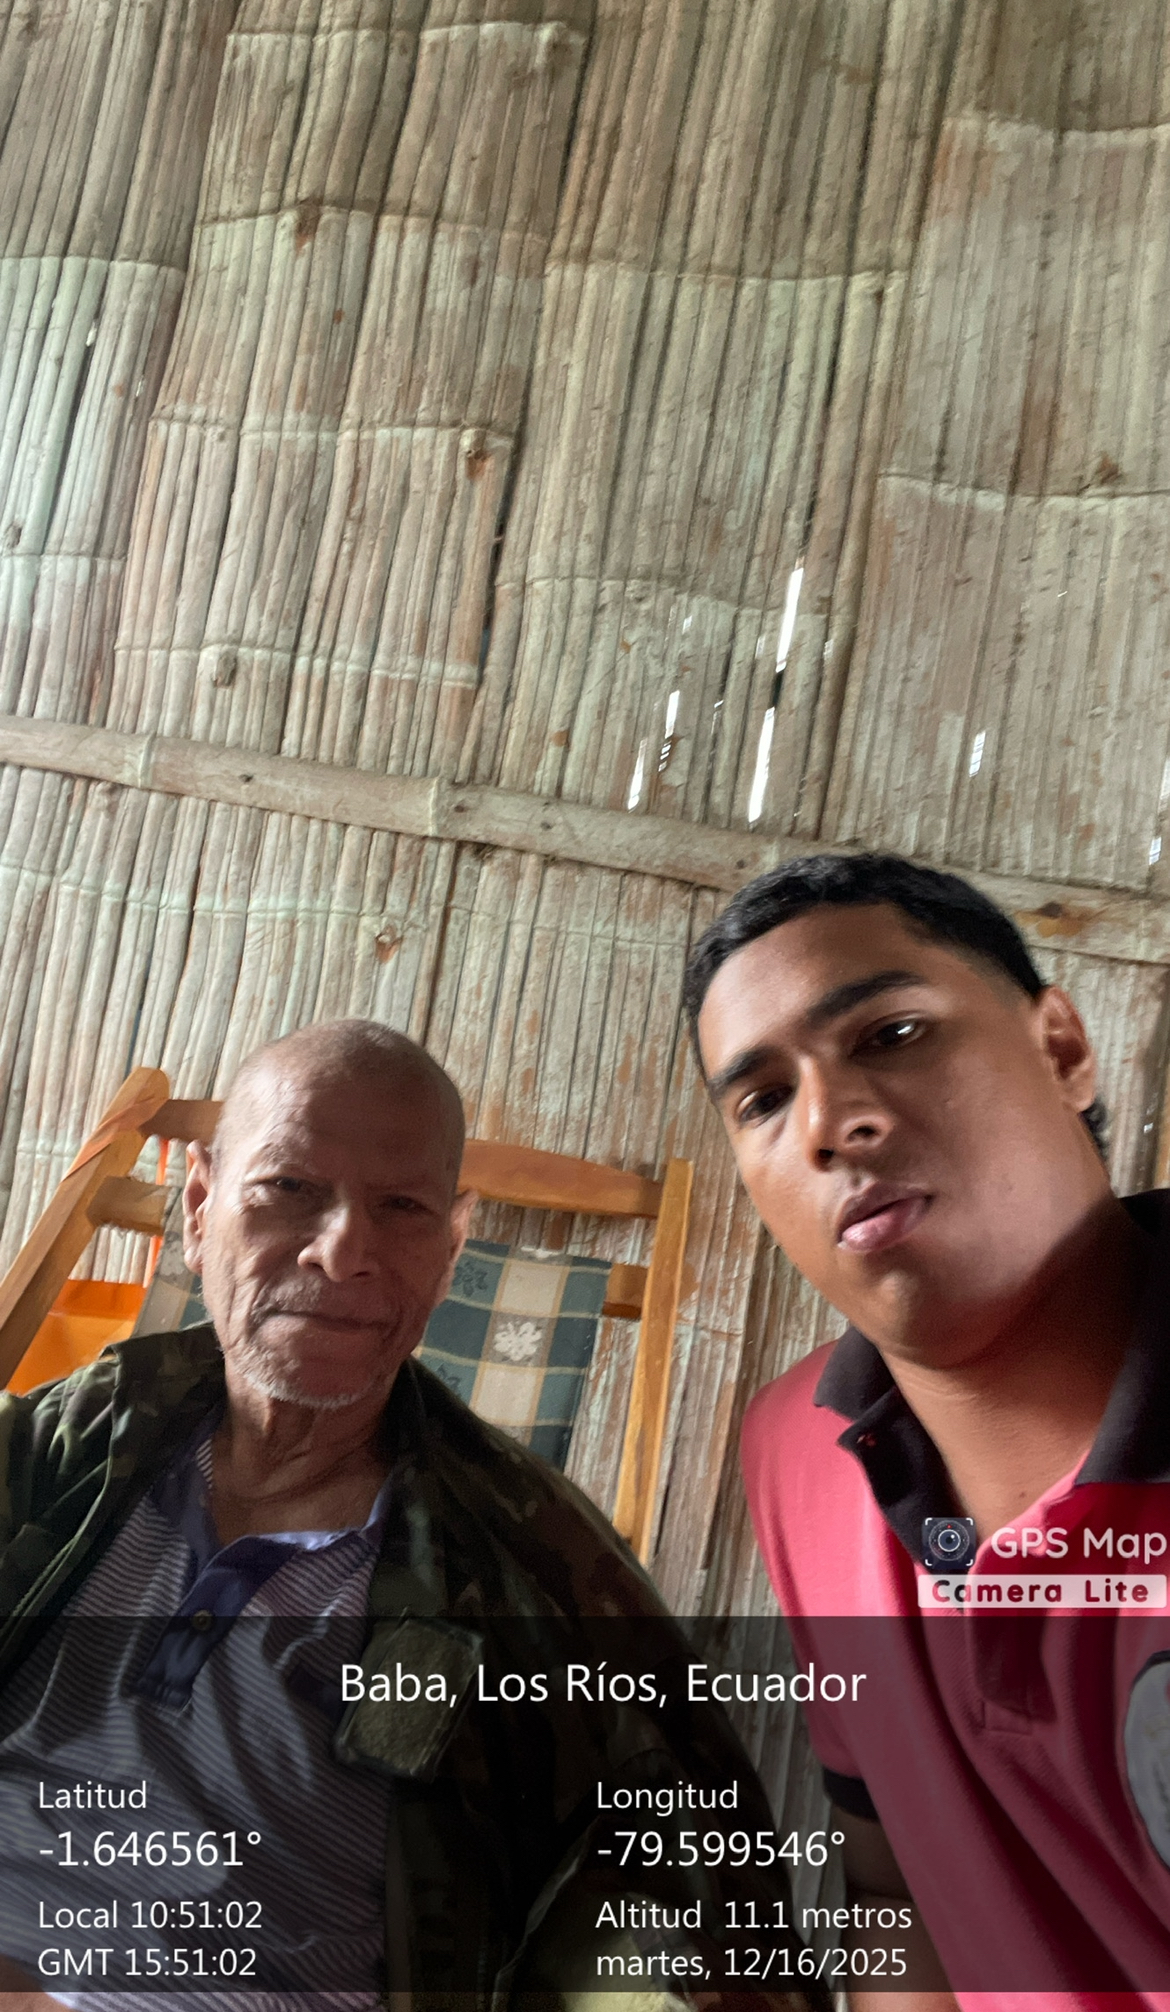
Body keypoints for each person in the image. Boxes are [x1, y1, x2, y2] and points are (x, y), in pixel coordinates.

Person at [0, 1020, 814, 2012]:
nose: (343, 1251)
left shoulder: (533, 1571)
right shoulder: (74, 1441)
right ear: (202, 1208)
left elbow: (712, 1904)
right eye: (288, 1187)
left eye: (401, 1208)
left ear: (450, 1248)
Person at [684, 853, 1170, 2012]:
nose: (828, 1123)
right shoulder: (795, 1454)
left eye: (893, 1035)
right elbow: (893, 1885)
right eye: (763, 1100)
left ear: (1063, 1049)